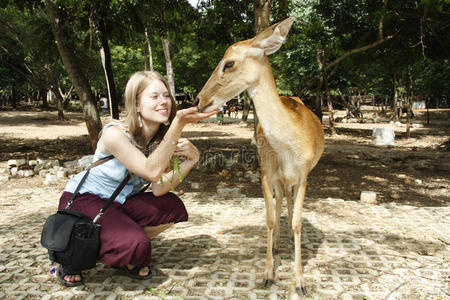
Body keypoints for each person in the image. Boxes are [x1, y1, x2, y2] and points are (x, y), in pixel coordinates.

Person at [56, 71, 218, 286]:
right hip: (86, 200)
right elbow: (150, 171)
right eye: (154, 97)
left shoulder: (160, 140)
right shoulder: (115, 133)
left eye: (166, 96)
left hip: (120, 203)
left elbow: (159, 189)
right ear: (136, 105)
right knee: (137, 246)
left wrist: (191, 161)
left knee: (173, 207)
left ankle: (118, 245)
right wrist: (179, 123)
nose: (164, 102)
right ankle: (72, 254)